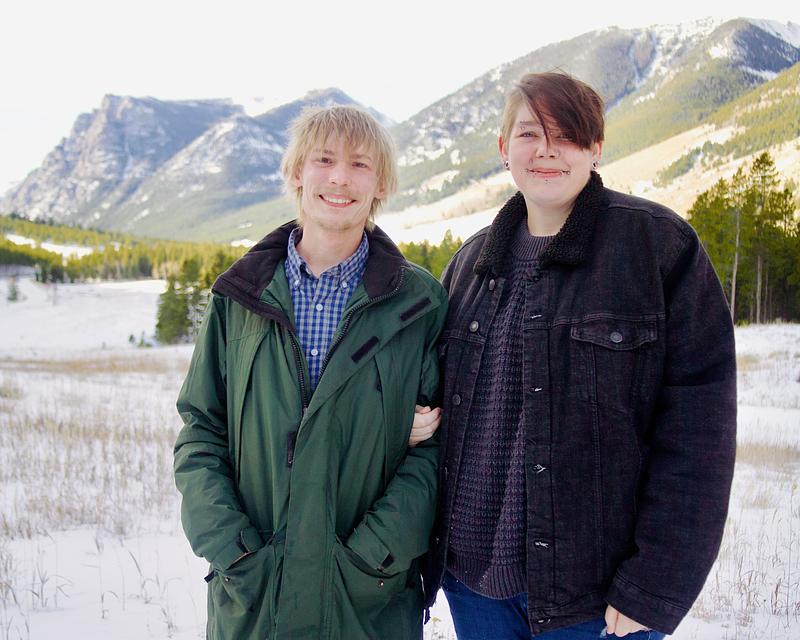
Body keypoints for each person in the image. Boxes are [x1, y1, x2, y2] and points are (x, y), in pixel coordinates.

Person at [423, 72, 737, 638]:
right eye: (529, 134)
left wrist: (655, 584)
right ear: (503, 148)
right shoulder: (470, 266)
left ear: (596, 148)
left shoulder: (657, 248)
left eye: (567, 135)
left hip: (595, 597)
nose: (547, 150)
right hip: (472, 585)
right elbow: (433, 404)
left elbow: (700, 433)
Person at [174, 105, 447, 640]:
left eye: (360, 164)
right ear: (297, 173)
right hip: (254, 597)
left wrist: (375, 551)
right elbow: (201, 428)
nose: (340, 178)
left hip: (367, 599)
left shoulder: (419, 302)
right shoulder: (239, 296)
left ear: (381, 185)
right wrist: (232, 548)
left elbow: (436, 452)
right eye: (324, 160)